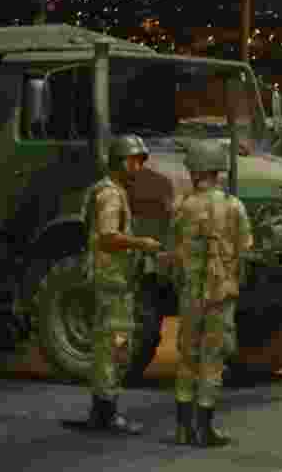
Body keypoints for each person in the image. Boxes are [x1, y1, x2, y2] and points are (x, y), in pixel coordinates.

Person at [80, 135, 165, 435]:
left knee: (113, 345)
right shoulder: (111, 195)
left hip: (115, 280)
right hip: (111, 282)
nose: (138, 167)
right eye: (134, 160)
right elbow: (107, 236)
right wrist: (141, 243)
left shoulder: (114, 192)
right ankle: (105, 413)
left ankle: (102, 411)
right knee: (112, 346)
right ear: (119, 161)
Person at [169, 141, 252, 447]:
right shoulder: (234, 207)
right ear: (219, 170)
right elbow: (245, 251)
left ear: (194, 171)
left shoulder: (182, 207)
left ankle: (182, 427)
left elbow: (172, 253)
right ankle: (204, 428)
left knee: (187, 356)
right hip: (220, 294)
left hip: (189, 293)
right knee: (212, 358)